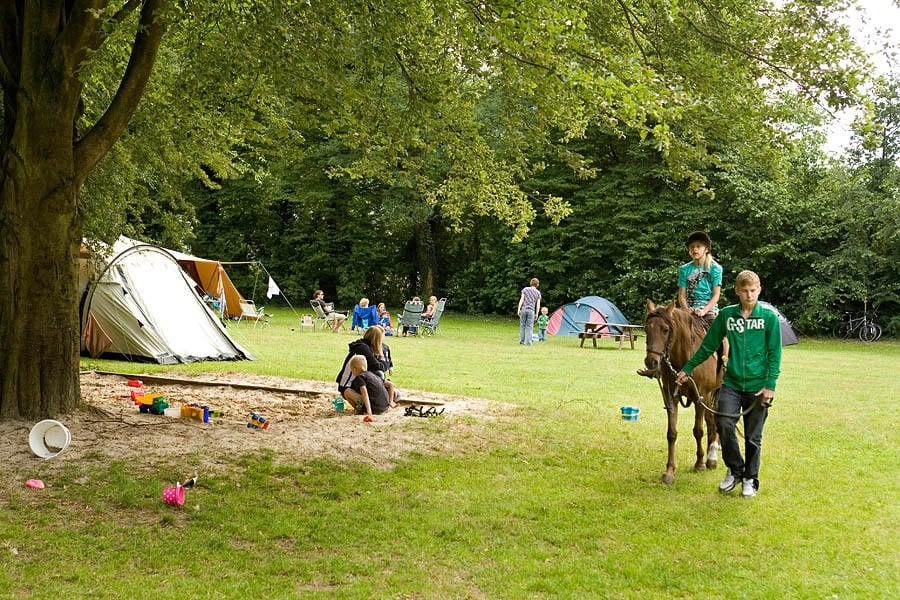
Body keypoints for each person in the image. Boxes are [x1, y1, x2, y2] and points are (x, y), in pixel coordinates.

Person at [675, 270, 782, 499]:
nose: (749, 294)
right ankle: (735, 471)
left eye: (753, 290)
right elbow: (707, 347)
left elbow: (775, 353)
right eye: (745, 290)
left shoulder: (769, 318)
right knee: (723, 424)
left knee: (753, 437)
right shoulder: (726, 316)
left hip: (758, 385)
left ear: (759, 290)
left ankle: (750, 479)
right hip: (731, 382)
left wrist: (770, 385)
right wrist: (686, 369)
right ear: (737, 291)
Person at [679, 231, 723, 323]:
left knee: (716, 330)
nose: (695, 249)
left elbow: (716, 295)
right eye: (692, 246)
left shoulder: (715, 269)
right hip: (689, 308)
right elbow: (681, 295)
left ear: (706, 249)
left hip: (708, 309)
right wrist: (686, 309)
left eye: (698, 246)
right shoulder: (684, 269)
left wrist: (704, 311)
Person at [344, 355, 391, 419]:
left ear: (354, 369)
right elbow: (390, 384)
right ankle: (365, 408)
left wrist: (369, 412)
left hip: (374, 408)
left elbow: (364, 393)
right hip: (384, 406)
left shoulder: (360, 377)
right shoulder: (373, 375)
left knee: (347, 391)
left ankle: (360, 410)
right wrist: (390, 402)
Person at [517, 278, 541, 346]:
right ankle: (528, 342)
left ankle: (522, 342)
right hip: (531, 311)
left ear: (530, 283)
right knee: (530, 327)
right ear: (537, 284)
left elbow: (521, 300)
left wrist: (519, 309)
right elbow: (538, 304)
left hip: (524, 309)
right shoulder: (538, 293)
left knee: (522, 326)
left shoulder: (525, 289)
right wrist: (537, 313)